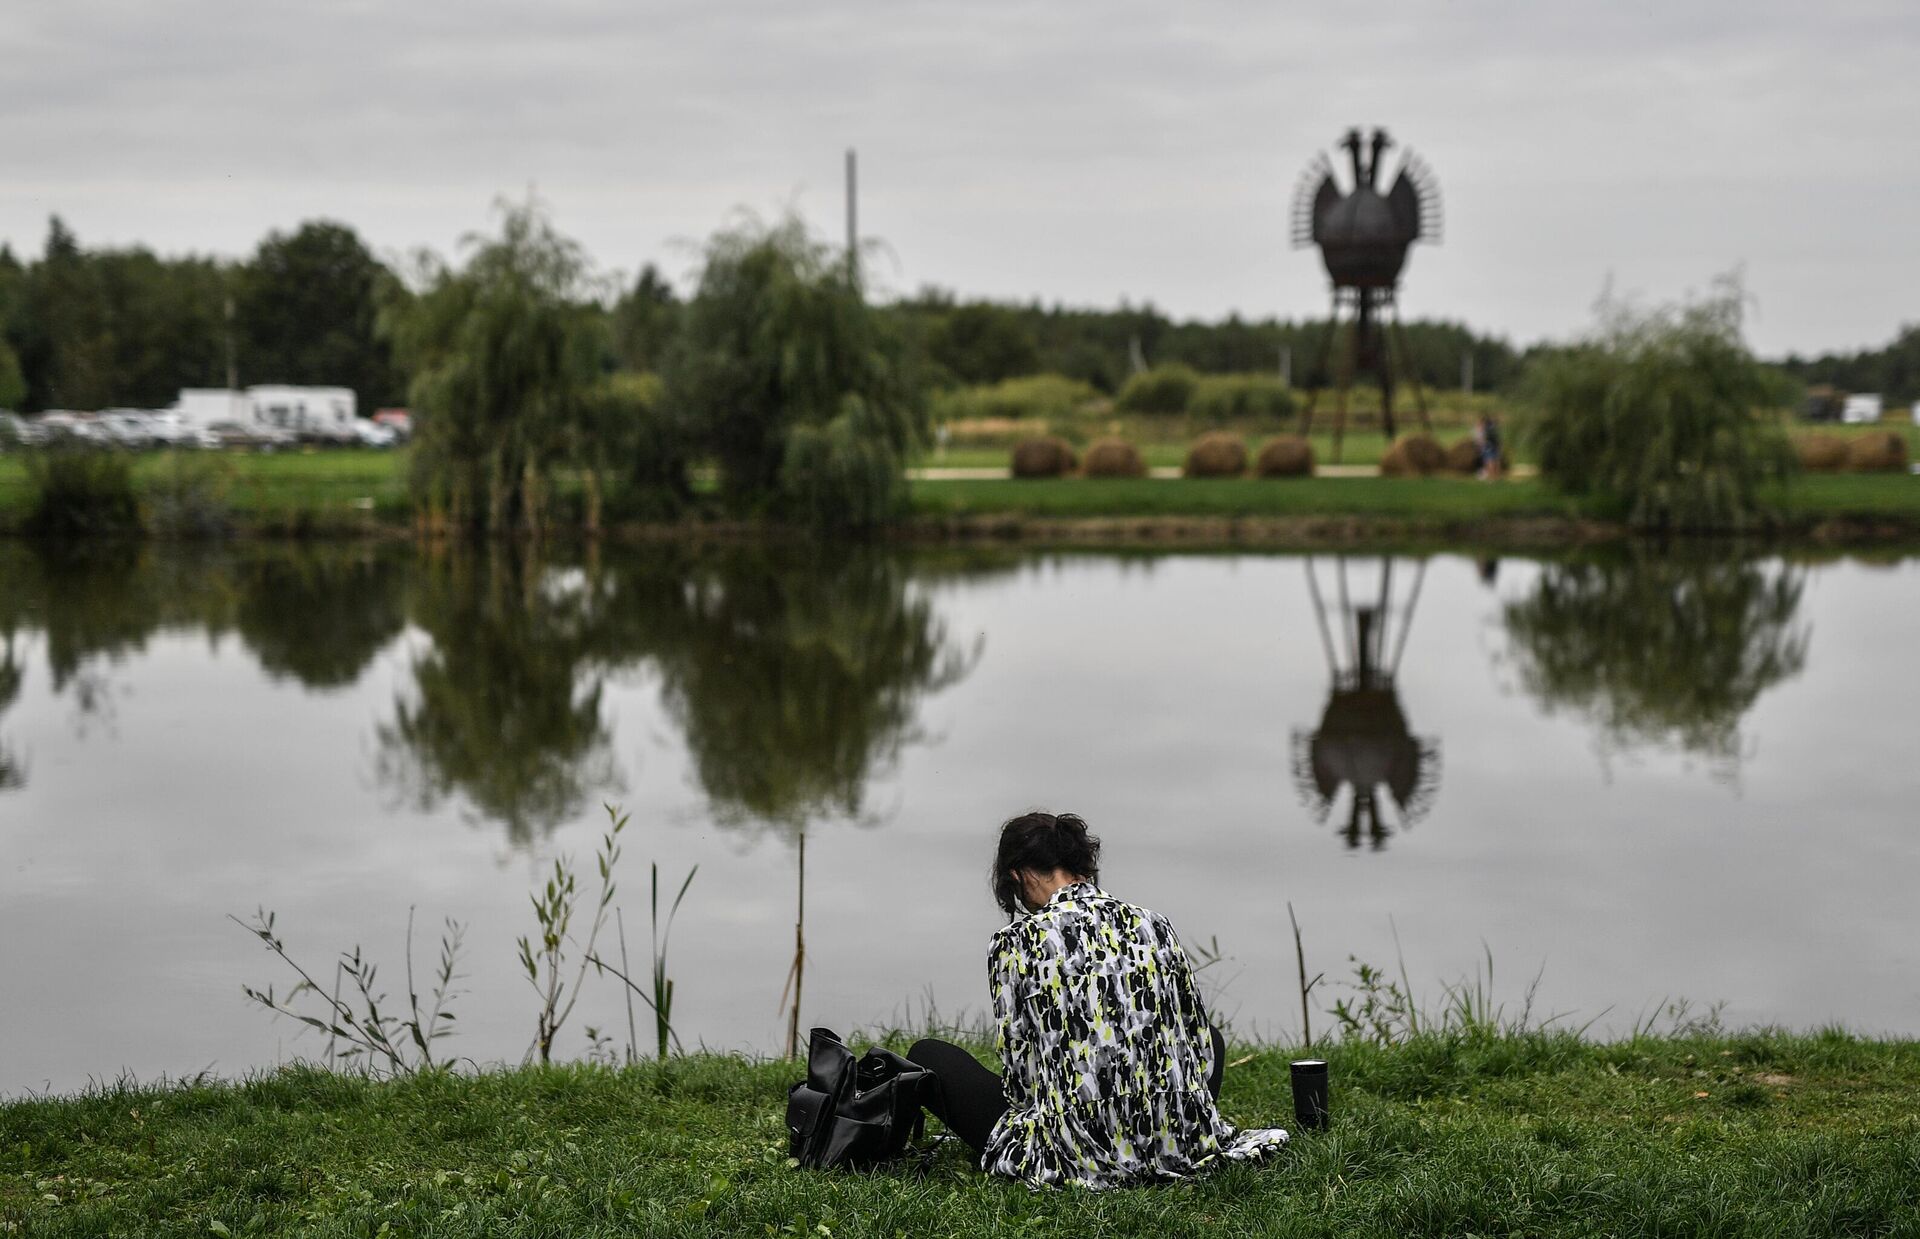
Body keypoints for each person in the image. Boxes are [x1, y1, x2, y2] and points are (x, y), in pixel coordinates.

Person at [908, 812, 1287, 1188]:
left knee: (928, 1054)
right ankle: (1161, 1131)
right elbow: (1198, 1044)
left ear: (1018, 875)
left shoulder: (1016, 942)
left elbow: (1022, 1080)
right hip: (1178, 1137)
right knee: (1212, 1036)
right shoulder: (1153, 922)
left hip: (1081, 1152)